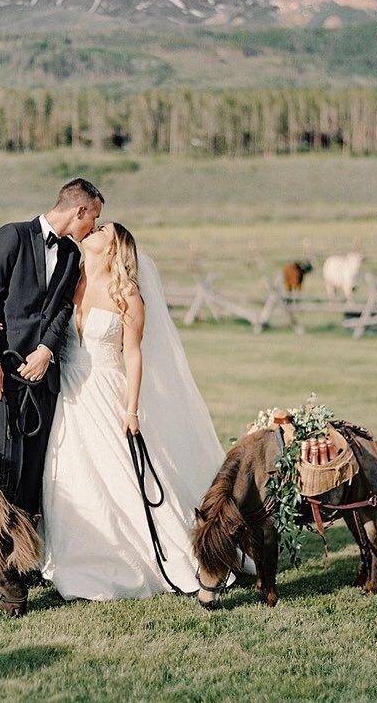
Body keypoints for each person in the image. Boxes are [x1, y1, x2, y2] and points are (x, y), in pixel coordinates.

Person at [39, 222, 232, 599]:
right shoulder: (69, 279)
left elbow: (132, 354)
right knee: (70, 472)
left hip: (108, 392)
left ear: (114, 248)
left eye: (104, 228)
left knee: (120, 473)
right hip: (69, 394)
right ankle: (77, 554)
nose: (94, 228)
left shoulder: (126, 293)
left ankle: (160, 554)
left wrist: (131, 410)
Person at [0, 178, 104, 591]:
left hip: (43, 377)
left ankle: (21, 561)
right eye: (93, 216)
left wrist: (46, 350)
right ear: (79, 210)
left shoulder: (73, 254)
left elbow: (61, 308)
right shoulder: (12, 236)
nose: (94, 226)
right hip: (2, 372)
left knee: (32, 472)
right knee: (4, 467)